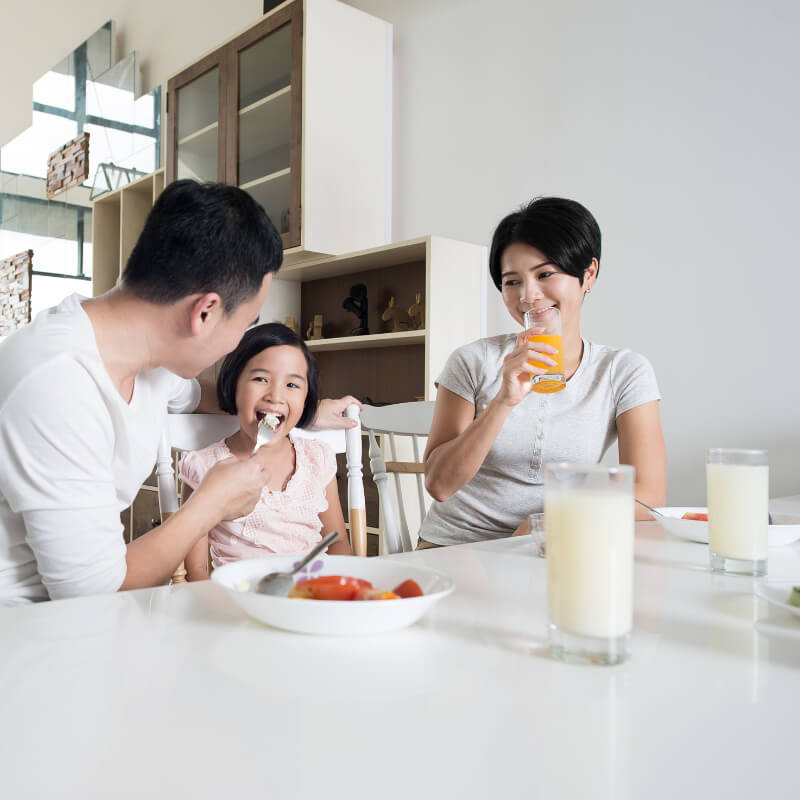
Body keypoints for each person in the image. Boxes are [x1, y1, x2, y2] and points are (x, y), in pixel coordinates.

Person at [0, 180, 359, 605]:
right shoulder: (57, 384)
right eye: (243, 324)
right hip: (29, 628)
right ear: (205, 312)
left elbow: (210, 397)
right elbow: (91, 593)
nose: (236, 342)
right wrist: (209, 506)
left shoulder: (148, 360)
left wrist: (305, 412)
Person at [419, 197, 666, 546]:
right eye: (512, 282)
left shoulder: (623, 371)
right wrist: (503, 401)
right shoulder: (472, 361)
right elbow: (439, 486)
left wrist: (555, 520)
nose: (528, 296)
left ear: (589, 274)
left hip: (555, 548)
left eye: (545, 274)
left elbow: (649, 494)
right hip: (457, 548)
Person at [180, 323, 352, 580]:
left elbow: (337, 542)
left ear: (307, 398)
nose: (275, 396)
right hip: (240, 604)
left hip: (314, 596)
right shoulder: (204, 467)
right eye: (261, 379)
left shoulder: (317, 459)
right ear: (233, 386)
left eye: (292, 385)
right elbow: (196, 570)